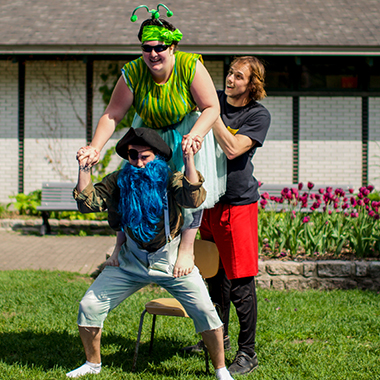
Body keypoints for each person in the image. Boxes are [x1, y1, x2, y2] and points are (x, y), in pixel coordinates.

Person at [66, 127, 233, 380]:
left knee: (205, 309)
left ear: (157, 156)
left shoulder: (169, 178)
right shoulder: (120, 180)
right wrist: (84, 168)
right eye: (133, 156)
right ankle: (92, 364)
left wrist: (189, 160)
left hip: (171, 260)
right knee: (89, 305)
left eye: (145, 157)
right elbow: (89, 203)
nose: (139, 163)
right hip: (130, 260)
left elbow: (193, 199)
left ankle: (221, 371)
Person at [77, 5, 226, 276]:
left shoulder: (189, 65)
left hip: (184, 133)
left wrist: (196, 134)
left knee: (187, 186)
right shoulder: (133, 72)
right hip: (147, 135)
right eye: (147, 48)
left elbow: (211, 107)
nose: (153, 54)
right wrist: (95, 147)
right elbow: (113, 114)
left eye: (159, 47)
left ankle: (186, 249)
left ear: (172, 47)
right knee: (131, 185)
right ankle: (121, 245)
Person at [182, 56, 271, 376]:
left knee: (241, 282)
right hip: (209, 202)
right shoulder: (215, 99)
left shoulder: (257, 115)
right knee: (213, 276)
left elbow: (233, 148)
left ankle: (248, 352)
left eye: (238, 76)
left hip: (238, 205)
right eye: (229, 74)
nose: (230, 80)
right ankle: (220, 337)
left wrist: (213, 114)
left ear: (252, 84)